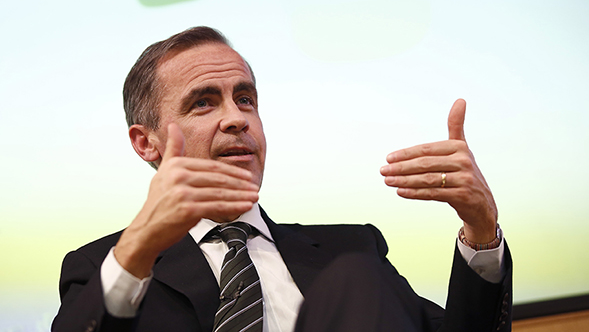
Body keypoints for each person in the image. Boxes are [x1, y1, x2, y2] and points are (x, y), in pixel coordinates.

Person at [52, 26, 512, 332]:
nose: (237, 119)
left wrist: (481, 229)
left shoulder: (352, 252)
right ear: (145, 143)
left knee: (354, 277)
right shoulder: (104, 268)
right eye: (204, 103)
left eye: (246, 99)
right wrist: (138, 247)